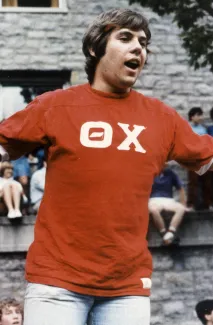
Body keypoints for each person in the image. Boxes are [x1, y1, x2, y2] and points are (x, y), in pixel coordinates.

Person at [0, 8, 213, 325]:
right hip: (55, 280)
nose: (138, 47)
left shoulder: (162, 117)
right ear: (94, 48)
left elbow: (206, 160)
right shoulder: (55, 104)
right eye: (125, 38)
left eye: (143, 42)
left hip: (127, 287)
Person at [149, 164, 187, 245]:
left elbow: (180, 188)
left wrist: (183, 203)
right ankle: (164, 234)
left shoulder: (170, 173)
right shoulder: (149, 174)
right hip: (153, 200)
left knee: (181, 208)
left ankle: (170, 232)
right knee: (154, 210)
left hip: (168, 200)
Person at [187, 107, 212, 210]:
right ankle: (191, 204)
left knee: (207, 182)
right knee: (193, 182)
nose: (201, 117)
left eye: (201, 115)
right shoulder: (187, 128)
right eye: (198, 115)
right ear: (192, 116)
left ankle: (208, 204)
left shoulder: (204, 129)